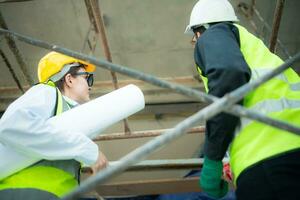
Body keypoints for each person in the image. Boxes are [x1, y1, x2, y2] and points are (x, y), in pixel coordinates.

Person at [185, 0, 300, 199]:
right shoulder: (256, 51)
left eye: (195, 40)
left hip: (267, 158)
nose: (196, 45)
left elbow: (229, 78)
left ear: (199, 31)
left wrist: (213, 158)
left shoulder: (213, 33)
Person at [0, 51, 108, 199]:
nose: (90, 86)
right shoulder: (47, 92)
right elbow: (14, 124)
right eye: (87, 78)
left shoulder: (71, 115)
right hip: (26, 192)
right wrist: (86, 149)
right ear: (69, 79)